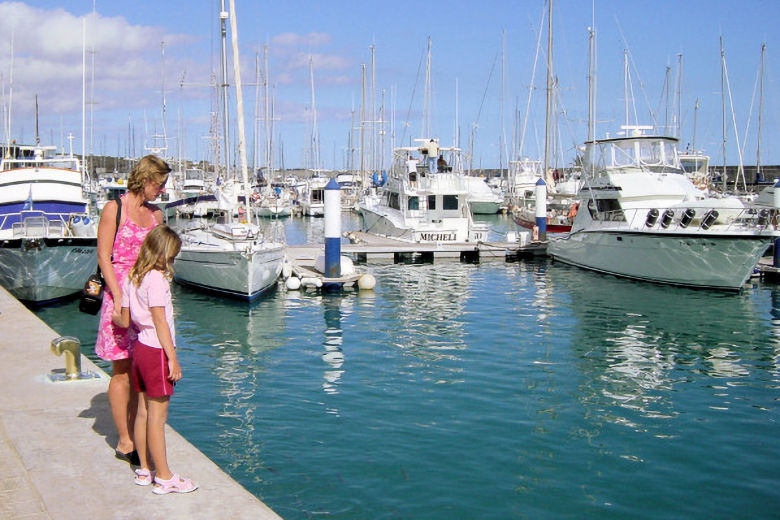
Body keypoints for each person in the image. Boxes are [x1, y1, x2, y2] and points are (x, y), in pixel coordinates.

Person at [94, 155, 170, 465]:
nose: (162, 191)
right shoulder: (115, 209)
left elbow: (162, 260)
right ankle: (125, 441)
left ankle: (140, 433)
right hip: (120, 299)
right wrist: (119, 298)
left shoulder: (157, 217)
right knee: (122, 370)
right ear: (146, 179)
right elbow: (104, 257)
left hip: (145, 302)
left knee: (142, 370)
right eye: (160, 184)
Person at [112, 225, 198, 494]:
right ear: (162, 253)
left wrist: (112, 318)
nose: (172, 261)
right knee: (158, 418)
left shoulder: (132, 276)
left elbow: (124, 320)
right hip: (157, 350)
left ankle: (144, 469)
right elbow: (160, 320)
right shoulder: (157, 279)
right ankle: (164, 476)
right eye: (171, 256)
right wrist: (173, 359)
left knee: (142, 412)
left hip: (139, 349)